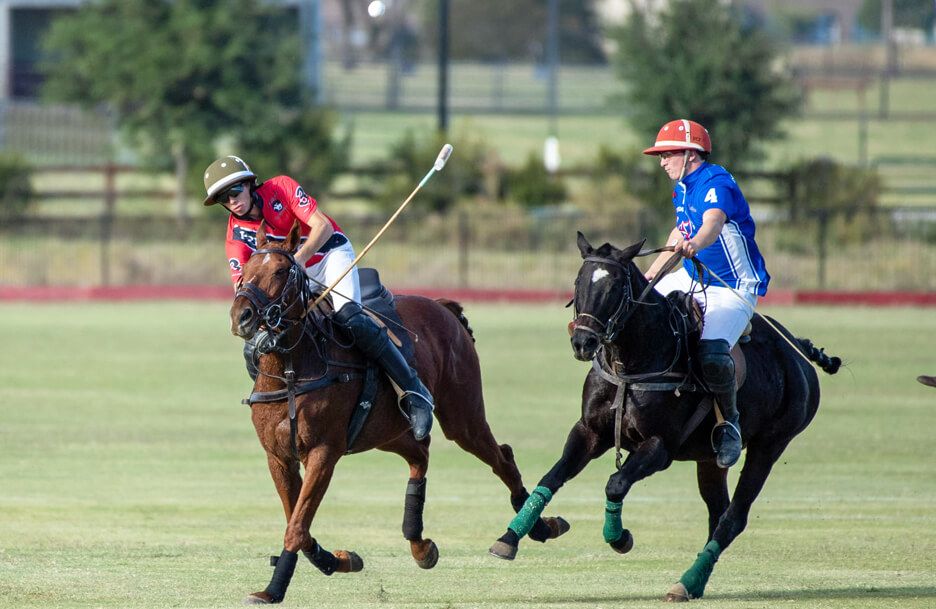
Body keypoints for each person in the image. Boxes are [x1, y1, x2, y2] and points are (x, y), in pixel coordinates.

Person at [203, 155, 434, 440]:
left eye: (235, 192)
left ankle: (413, 392)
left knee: (352, 319)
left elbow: (321, 226)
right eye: (224, 198)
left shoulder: (281, 188)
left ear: (249, 185)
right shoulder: (235, 234)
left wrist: (299, 260)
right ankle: (277, 403)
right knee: (257, 345)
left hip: (327, 256)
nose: (232, 201)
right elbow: (242, 281)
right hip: (287, 280)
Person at [642, 119, 770, 469]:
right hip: (691, 277)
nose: (662, 161)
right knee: (640, 307)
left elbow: (711, 224)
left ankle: (730, 424)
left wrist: (694, 244)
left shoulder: (716, 182)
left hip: (732, 287)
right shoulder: (681, 187)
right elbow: (677, 231)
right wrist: (650, 275)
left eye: (667, 154)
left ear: (690, 154)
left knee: (713, 353)